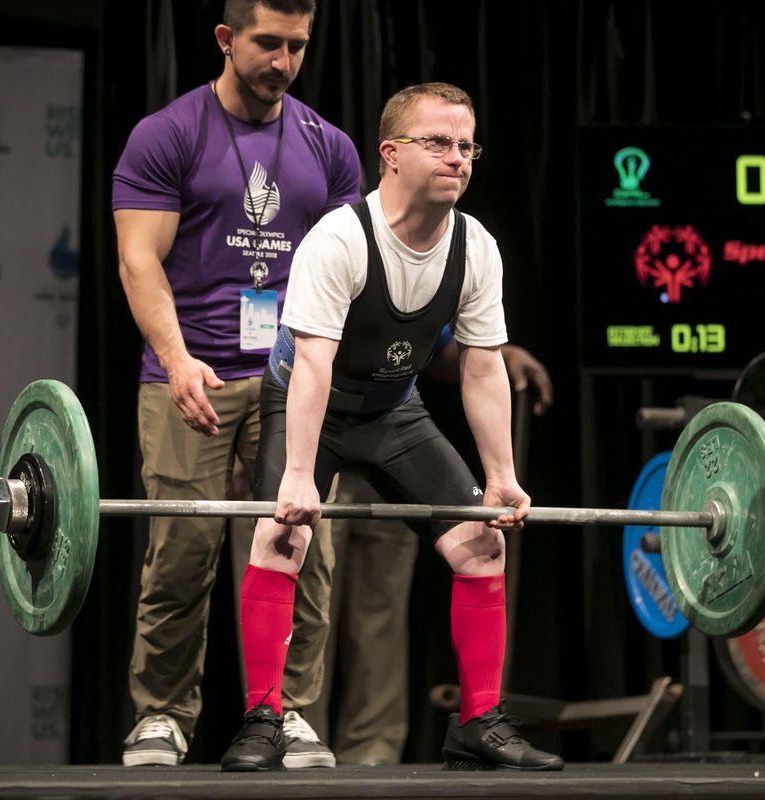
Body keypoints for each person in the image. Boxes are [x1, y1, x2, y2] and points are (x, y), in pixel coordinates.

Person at [220, 81, 564, 772]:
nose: (457, 157)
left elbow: (481, 367)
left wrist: (501, 476)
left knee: (481, 545)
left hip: (391, 412)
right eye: (438, 142)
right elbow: (311, 368)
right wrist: (295, 476)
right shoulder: (339, 239)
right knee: (279, 537)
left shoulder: (477, 248)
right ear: (391, 154)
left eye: (467, 145)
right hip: (307, 403)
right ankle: (264, 718)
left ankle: (476, 724)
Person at [111, 0, 359, 768]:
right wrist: (180, 359)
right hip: (192, 372)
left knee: (301, 549)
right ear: (225, 38)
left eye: (297, 46)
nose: (283, 61)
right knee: (182, 553)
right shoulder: (169, 134)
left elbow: (350, 275)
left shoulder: (330, 148)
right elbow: (139, 260)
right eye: (267, 43)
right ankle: (161, 715)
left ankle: (285, 712)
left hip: (294, 379)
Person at [305, 341, 553, 766]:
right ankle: (303, 742)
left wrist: (496, 354)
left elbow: (434, 351)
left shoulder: (426, 276)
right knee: (311, 604)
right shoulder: (316, 273)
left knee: (381, 614)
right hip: (316, 437)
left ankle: (373, 756)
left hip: (390, 442)